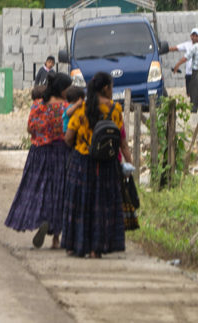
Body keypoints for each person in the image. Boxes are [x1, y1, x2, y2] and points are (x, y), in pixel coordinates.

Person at [61, 71, 132, 258]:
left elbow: (68, 137)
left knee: (81, 204)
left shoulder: (81, 109)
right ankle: (96, 249)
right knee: (102, 206)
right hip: (107, 165)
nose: (112, 90)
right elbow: (122, 141)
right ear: (106, 88)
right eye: (112, 86)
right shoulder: (115, 110)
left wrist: (80, 143)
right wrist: (129, 165)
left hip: (82, 163)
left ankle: (75, 245)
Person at [5, 71, 72, 249]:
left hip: (38, 153)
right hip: (61, 153)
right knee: (60, 192)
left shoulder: (37, 105)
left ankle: (41, 219)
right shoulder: (66, 107)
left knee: (39, 190)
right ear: (62, 89)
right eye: (68, 87)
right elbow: (70, 132)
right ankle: (56, 238)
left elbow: (29, 128)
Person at [168, 27, 198, 93]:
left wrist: (177, 65)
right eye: (193, 35)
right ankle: (196, 103)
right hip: (189, 72)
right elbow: (175, 48)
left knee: (197, 92)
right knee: (189, 93)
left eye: (196, 36)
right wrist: (165, 49)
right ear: (190, 36)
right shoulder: (187, 44)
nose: (194, 37)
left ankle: (197, 103)